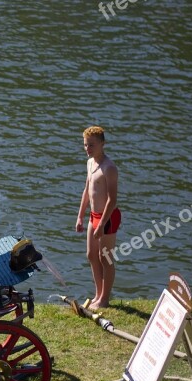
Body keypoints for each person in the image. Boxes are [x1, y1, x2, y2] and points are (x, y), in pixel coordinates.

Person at [75, 126, 121, 310]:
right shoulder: (90, 163)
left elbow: (112, 199)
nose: (88, 149)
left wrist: (102, 224)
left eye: (92, 145)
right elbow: (87, 191)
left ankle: (105, 299)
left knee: (105, 258)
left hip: (108, 217)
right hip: (94, 216)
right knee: (91, 255)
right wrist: (80, 217)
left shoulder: (109, 168)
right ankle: (98, 293)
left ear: (103, 143)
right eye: (86, 145)